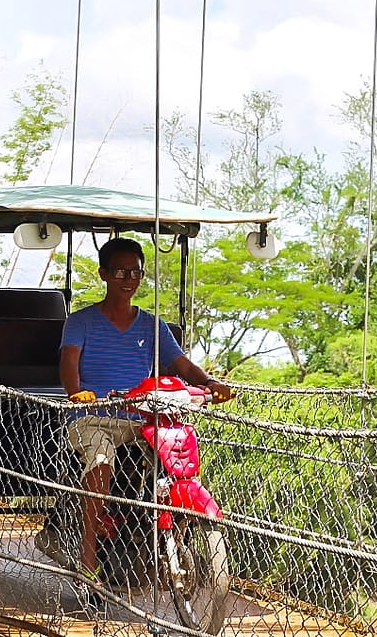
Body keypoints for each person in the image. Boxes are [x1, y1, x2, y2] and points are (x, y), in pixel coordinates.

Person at [57, 237, 231, 583]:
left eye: (135, 272)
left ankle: (163, 543)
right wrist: (77, 392)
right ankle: (87, 554)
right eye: (120, 271)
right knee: (102, 461)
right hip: (94, 416)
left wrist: (209, 383)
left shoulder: (152, 325)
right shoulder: (81, 321)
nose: (128, 278)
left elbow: (180, 363)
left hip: (140, 416)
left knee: (176, 458)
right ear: (104, 273)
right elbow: (69, 362)